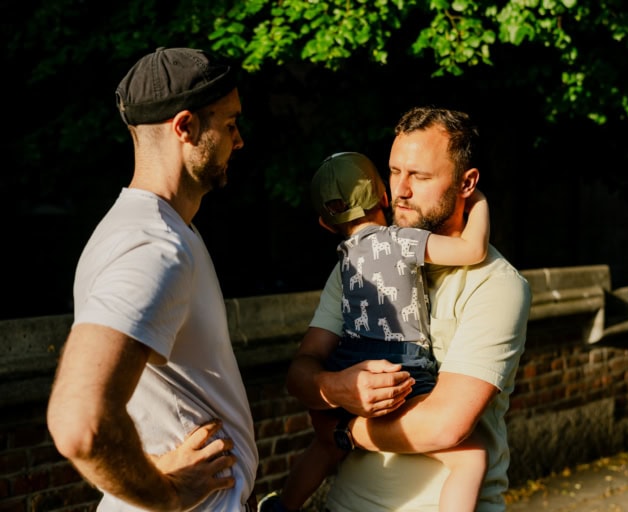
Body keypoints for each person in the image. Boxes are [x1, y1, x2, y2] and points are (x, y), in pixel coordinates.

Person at [282, 107, 531, 511]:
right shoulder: (359, 264)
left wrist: (341, 431)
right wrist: (335, 387)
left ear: (467, 183)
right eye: (395, 172)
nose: (401, 190)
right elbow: (300, 373)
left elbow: (444, 424)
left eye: (420, 176)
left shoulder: (496, 285)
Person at [46, 47, 259, 511]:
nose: (238, 141)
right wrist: (168, 493)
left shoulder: (155, 229)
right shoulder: (154, 247)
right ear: (185, 127)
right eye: (228, 124)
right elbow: (79, 423)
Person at [259, 152, 491, 512]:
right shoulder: (402, 240)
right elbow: (471, 250)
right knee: (471, 456)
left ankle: (283, 506)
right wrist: (477, 202)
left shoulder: (345, 260)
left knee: (325, 445)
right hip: (401, 362)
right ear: (384, 198)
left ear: (325, 224)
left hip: (350, 364)